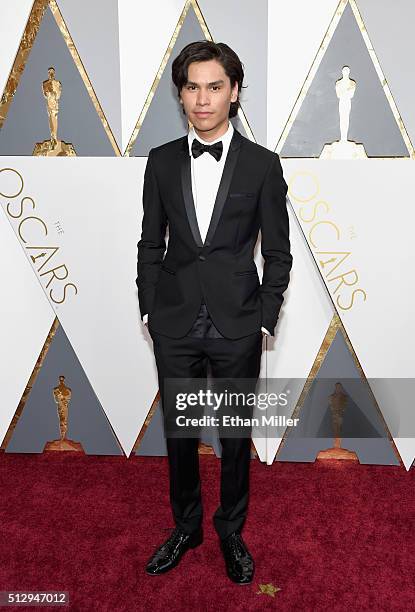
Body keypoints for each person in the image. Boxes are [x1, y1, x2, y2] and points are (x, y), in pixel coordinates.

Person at [136, 40, 292, 584]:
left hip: (238, 322)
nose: (202, 99)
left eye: (215, 86)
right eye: (192, 87)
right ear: (181, 94)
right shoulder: (160, 161)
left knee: (233, 434)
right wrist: (149, 309)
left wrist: (266, 315)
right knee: (180, 433)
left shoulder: (263, 165)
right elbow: (149, 243)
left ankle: (230, 530)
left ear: (234, 92)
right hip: (175, 320)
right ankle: (186, 526)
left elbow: (278, 251)